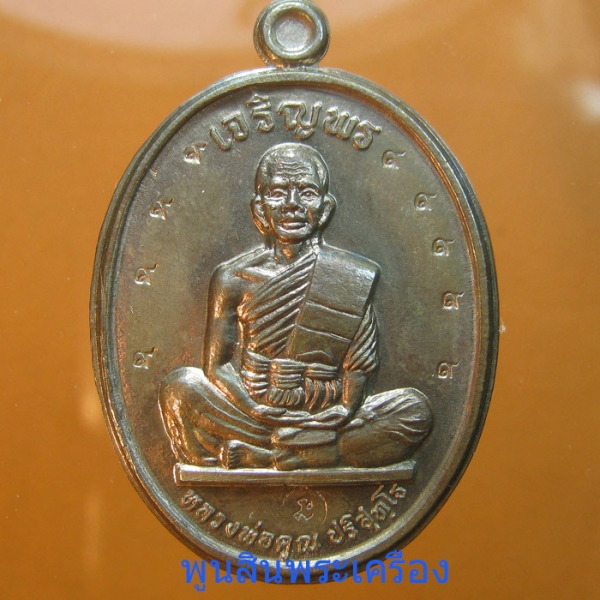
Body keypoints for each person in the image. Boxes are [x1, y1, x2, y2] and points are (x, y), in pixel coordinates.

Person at [160, 143, 432, 470]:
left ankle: (270, 456)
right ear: (259, 210)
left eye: (307, 192)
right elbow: (217, 367)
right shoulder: (232, 278)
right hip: (256, 417)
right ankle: (307, 454)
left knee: (415, 410)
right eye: (277, 193)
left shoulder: (350, 275)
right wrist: (254, 408)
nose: (292, 204)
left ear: (325, 209)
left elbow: (359, 365)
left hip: (326, 419)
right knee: (180, 388)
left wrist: (346, 409)